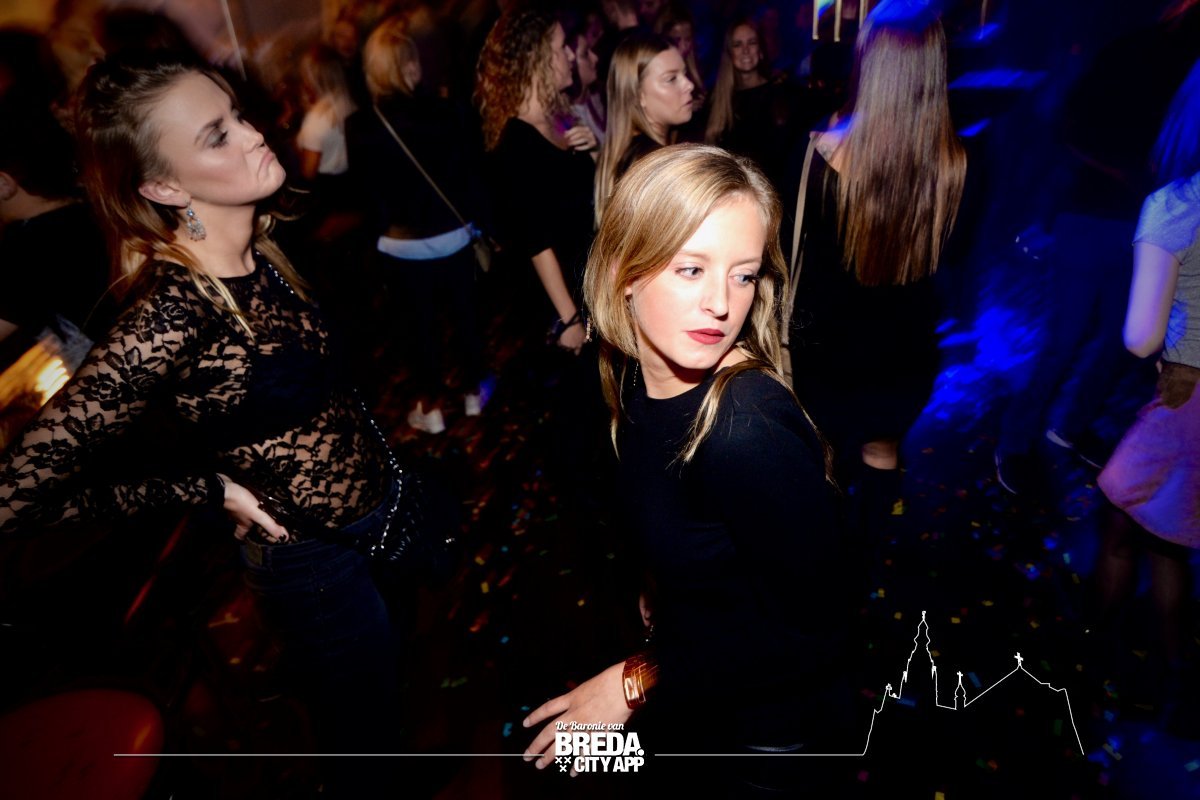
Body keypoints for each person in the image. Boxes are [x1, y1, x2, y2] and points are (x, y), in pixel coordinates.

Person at [0, 52, 409, 795]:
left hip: (374, 519)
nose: (253, 135)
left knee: (389, 716)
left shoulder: (261, 248)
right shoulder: (171, 312)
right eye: (218, 135)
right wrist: (204, 489)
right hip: (315, 568)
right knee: (366, 753)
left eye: (238, 116)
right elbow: (12, 496)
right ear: (163, 186)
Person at [523, 144, 853, 791]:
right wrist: (666, 580)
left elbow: (816, 630)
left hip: (765, 740)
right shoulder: (633, 374)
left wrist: (638, 678)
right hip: (699, 689)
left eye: (743, 275)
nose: (721, 305)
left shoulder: (745, 429)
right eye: (691, 268)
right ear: (624, 271)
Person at [786, 3, 966, 523]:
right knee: (882, 453)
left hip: (828, 352)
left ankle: (822, 552)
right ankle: (865, 553)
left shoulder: (818, 153)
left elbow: (795, 259)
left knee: (822, 459)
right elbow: (952, 263)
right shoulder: (958, 165)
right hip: (907, 354)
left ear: (870, 62)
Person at [1092, 57, 1200, 739]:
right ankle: (1172, 678)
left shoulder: (1177, 205)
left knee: (1124, 525)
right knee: (1169, 537)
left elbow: (1139, 338)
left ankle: (1095, 660)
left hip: (1185, 402)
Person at [346, 17, 486, 433]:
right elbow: (470, 175)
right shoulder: (448, 111)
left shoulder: (359, 125)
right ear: (410, 64)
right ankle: (474, 393)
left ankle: (433, 406)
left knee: (417, 328)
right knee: (466, 316)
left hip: (400, 245)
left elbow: (366, 194)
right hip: (453, 235)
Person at [476, 5, 598, 353]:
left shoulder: (559, 117)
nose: (570, 54)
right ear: (537, 59)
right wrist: (569, 319)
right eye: (561, 47)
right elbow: (536, 240)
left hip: (586, 283)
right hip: (559, 303)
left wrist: (593, 151)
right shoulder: (515, 143)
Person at [594, 31, 694, 223]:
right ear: (639, 95)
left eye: (684, 73)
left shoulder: (631, 153)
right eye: (671, 79)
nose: (689, 85)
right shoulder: (651, 163)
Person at [705, 18, 799, 190]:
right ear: (729, 53)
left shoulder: (780, 94)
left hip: (773, 190)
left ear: (760, 50)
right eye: (737, 45)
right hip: (731, 191)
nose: (746, 50)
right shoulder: (717, 99)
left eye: (752, 42)